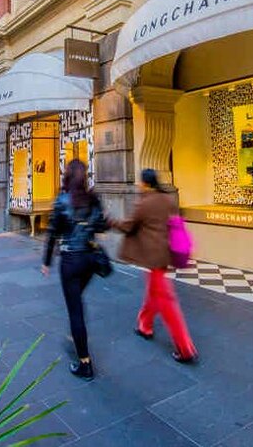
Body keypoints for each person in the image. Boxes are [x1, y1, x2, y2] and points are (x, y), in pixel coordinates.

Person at [111, 168, 197, 363]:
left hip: (153, 257)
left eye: (141, 182)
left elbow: (129, 226)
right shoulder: (168, 200)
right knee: (154, 292)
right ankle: (145, 325)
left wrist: (110, 221)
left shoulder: (146, 202)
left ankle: (185, 348)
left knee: (166, 301)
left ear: (145, 183)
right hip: (166, 254)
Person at [41, 160, 107, 380]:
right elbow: (101, 226)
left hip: (70, 260)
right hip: (89, 259)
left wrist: (46, 262)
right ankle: (76, 335)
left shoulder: (62, 200)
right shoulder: (92, 198)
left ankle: (84, 363)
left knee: (75, 310)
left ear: (67, 176)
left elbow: (52, 232)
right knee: (77, 298)